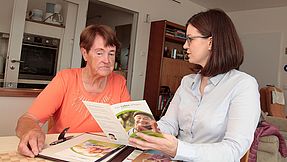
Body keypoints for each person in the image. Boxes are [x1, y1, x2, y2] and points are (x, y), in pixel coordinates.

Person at [129, 9, 261, 162]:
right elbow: (169, 123)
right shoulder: (187, 82)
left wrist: (178, 149)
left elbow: (233, 149)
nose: (185, 45)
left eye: (190, 39)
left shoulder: (243, 85)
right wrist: (147, 130)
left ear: (211, 42)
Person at [15, 25, 131, 157]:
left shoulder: (119, 82)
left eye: (111, 53)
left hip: (104, 153)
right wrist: (32, 130)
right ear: (85, 53)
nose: (107, 60)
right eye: (99, 53)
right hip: (63, 152)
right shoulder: (65, 78)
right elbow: (27, 119)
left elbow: (128, 125)